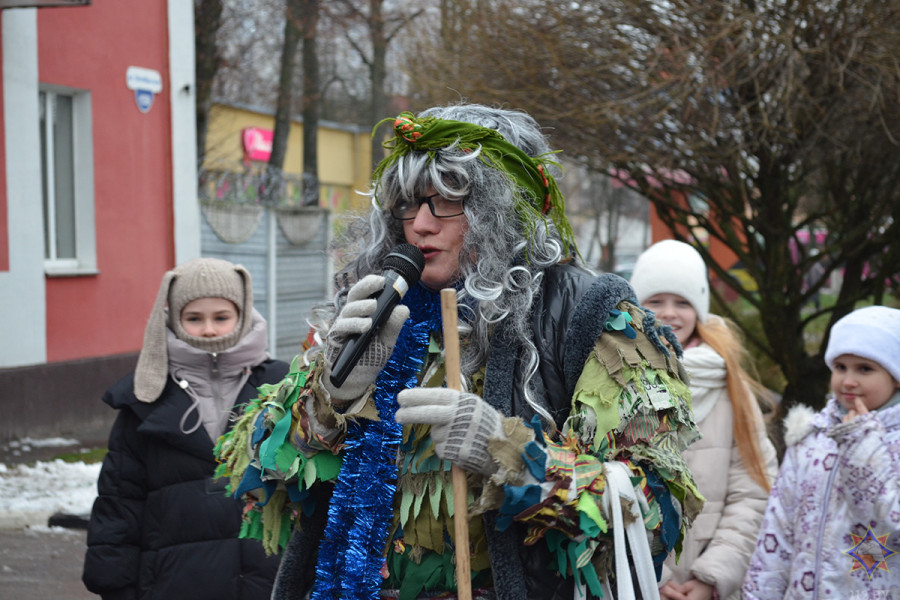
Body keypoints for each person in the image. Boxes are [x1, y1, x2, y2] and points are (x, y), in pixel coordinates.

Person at [215, 104, 704, 600]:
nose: (420, 225)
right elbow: (259, 473)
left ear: (502, 209)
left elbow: (655, 509)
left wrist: (513, 456)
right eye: (408, 203)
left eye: (446, 201)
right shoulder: (374, 304)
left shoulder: (589, 313)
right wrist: (330, 398)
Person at [82, 258, 289, 600]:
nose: (208, 329)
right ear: (174, 320)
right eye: (194, 318)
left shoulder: (281, 386)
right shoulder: (146, 397)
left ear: (243, 315)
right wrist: (114, 584)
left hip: (266, 580)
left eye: (221, 317)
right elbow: (119, 500)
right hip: (172, 582)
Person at [629, 240, 778, 600]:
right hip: (641, 583)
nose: (669, 313)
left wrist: (713, 575)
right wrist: (653, 578)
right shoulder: (613, 383)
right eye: (655, 301)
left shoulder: (731, 386)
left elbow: (755, 492)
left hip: (710, 581)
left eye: (682, 302)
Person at [742, 305, 900, 597]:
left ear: (896, 376)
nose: (848, 380)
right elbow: (778, 528)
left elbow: (892, 521)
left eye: (865, 368)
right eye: (840, 367)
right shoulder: (810, 438)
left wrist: (863, 444)